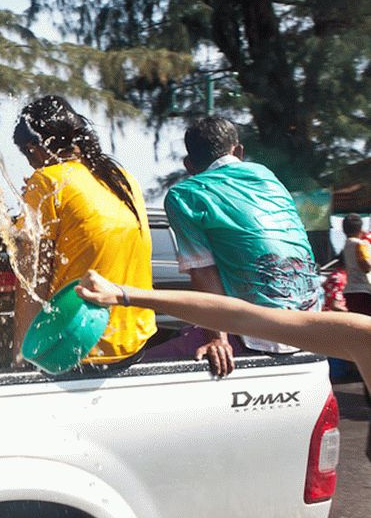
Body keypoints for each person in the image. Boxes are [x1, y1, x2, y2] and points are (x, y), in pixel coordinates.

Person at [153, 116, 321, 376]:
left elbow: (202, 270)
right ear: (239, 152)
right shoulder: (268, 177)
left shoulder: (185, 195)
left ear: (188, 165)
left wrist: (218, 339)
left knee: (138, 368)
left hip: (254, 335)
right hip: (312, 324)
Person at [11, 95, 156, 367]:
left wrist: (23, 357)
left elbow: (32, 280)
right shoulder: (121, 178)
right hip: (134, 339)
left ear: (34, 148)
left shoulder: (46, 182)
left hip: (77, 344)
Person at [76, 269, 371, 391]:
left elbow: (241, 317)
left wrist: (125, 295)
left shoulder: (364, 337)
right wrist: (124, 295)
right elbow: (238, 316)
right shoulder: (364, 337)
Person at [341, 213, 371, 317]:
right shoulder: (361, 244)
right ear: (360, 229)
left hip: (350, 290)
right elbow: (366, 266)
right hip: (363, 290)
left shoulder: (346, 246)